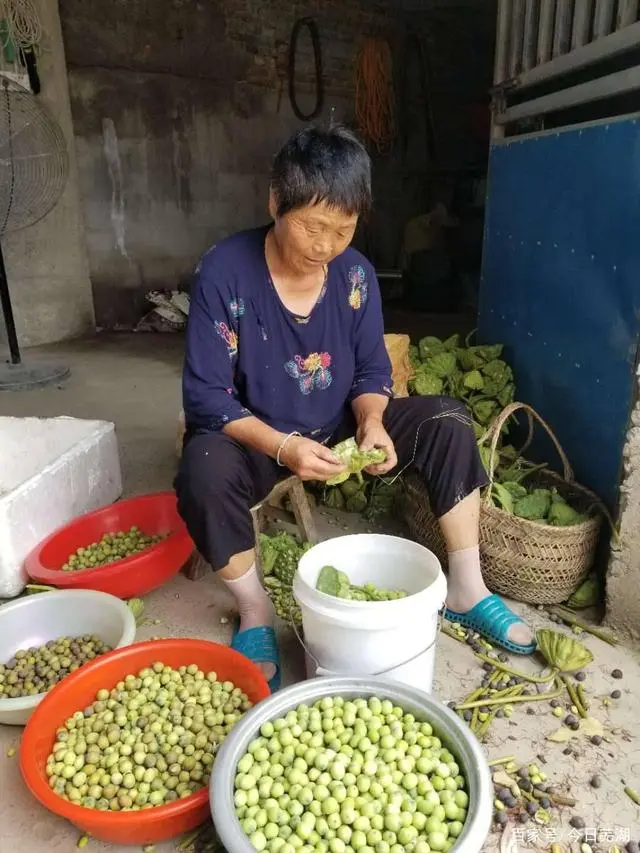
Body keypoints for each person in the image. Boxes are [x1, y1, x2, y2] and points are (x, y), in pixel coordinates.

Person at [175, 125, 534, 690]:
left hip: (338, 423)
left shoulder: (356, 277)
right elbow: (207, 395)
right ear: (275, 202)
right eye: (312, 226)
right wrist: (283, 446)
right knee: (202, 468)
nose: (325, 246)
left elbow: (372, 371)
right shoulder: (226, 270)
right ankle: (254, 608)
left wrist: (371, 422)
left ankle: (467, 588)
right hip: (256, 434)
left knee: (448, 421)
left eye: (342, 230)